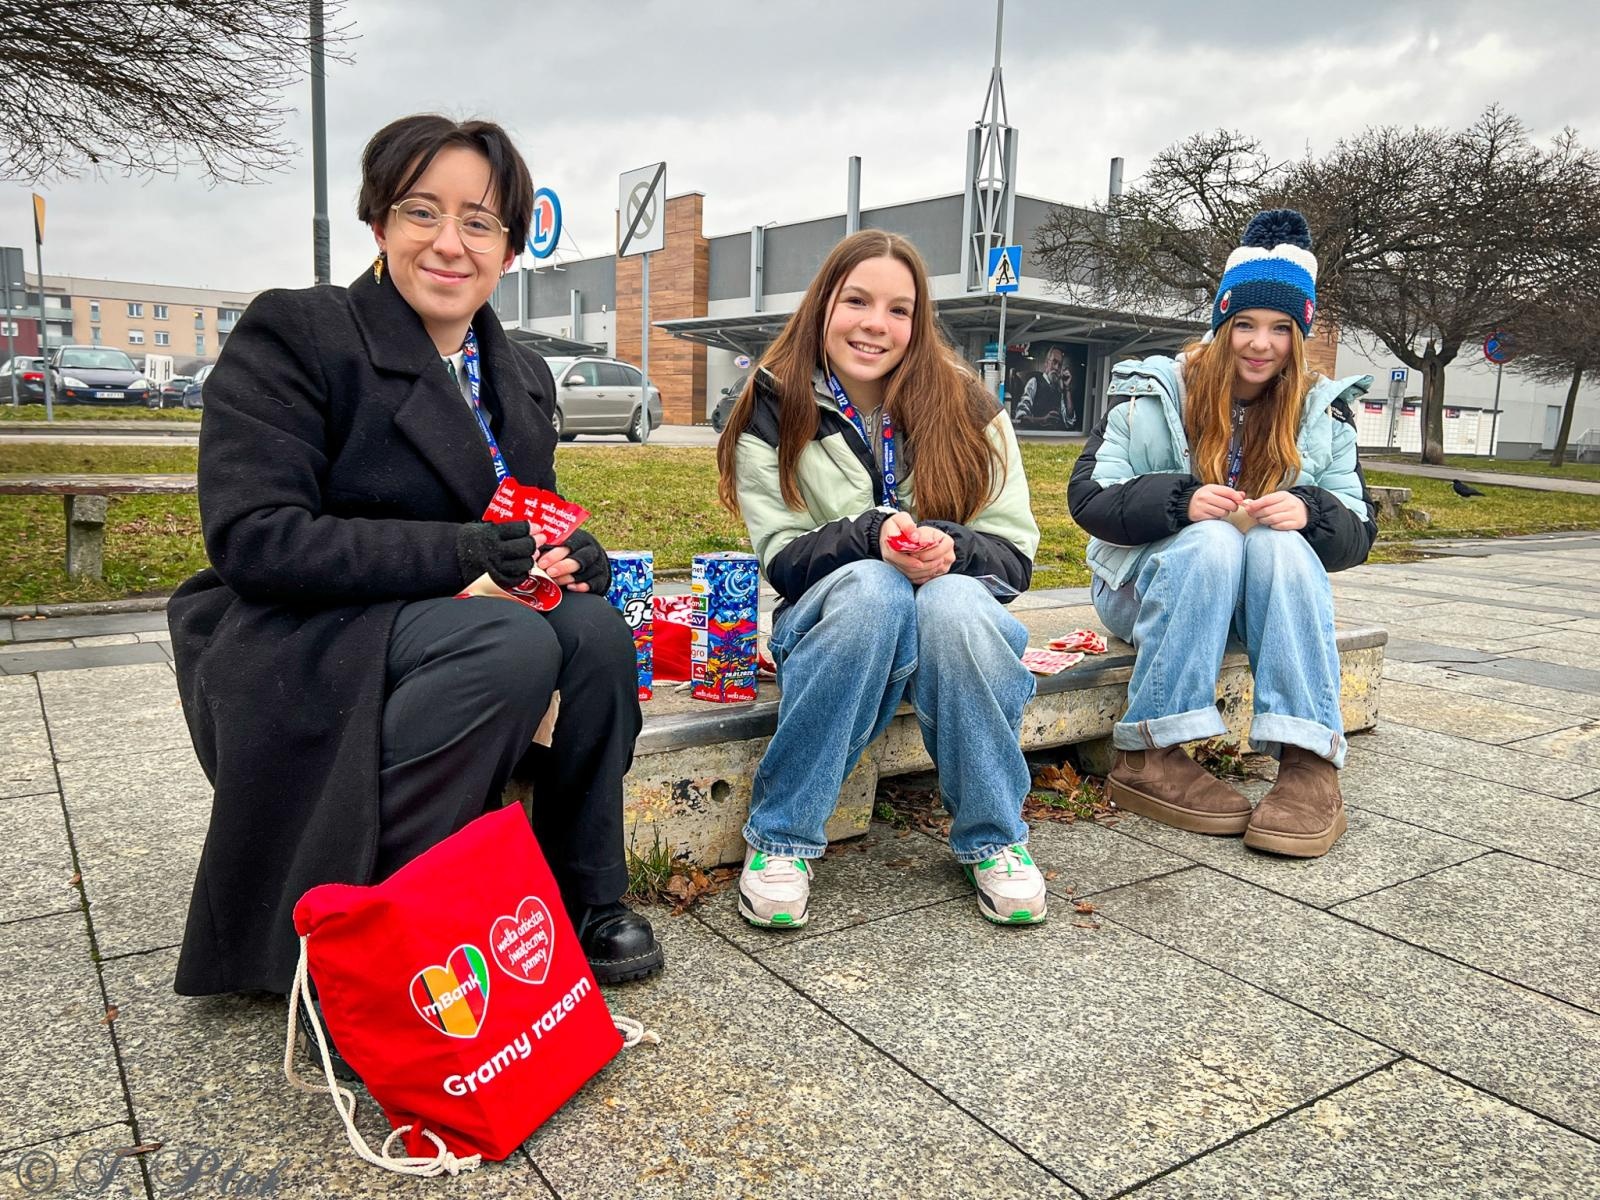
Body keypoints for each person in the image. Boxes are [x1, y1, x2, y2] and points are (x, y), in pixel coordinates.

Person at [167, 114, 663, 1000]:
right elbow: (255, 538)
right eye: (420, 212)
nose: (449, 242)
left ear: (509, 250)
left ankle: (582, 897)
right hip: (306, 625)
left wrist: (564, 552)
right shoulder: (300, 334)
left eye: (479, 221)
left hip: (448, 614)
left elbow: (523, 518)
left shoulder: (516, 374)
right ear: (379, 227)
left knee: (594, 633)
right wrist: (470, 552)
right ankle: (382, 933)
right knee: (507, 648)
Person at [716, 230, 1047, 928]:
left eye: (899, 309)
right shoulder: (772, 405)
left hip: (958, 617)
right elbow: (781, 556)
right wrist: (871, 536)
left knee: (954, 603)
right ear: (822, 306)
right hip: (839, 617)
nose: (876, 323)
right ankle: (781, 839)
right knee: (876, 588)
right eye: (857, 300)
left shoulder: (970, 405)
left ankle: (995, 839)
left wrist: (950, 547)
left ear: (918, 321)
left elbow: (1014, 557)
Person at [1068, 209, 1377, 858]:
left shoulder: (1320, 411)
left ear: (1299, 334)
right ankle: (1152, 752)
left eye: (1280, 328)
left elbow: (1359, 529)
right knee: (1212, 540)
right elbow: (1089, 497)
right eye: (1245, 324)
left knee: (1280, 542)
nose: (1261, 343)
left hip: (1255, 600)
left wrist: (1312, 513)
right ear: (1222, 323)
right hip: (1141, 588)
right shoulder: (1155, 388)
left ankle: (1307, 763)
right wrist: (1181, 501)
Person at [1013, 344, 1075, 430]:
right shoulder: (1034, 382)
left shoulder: (1059, 389)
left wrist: (1067, 389)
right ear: (1046, 363)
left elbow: (1069, 421)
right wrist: (1043, 420)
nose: (1057, 367)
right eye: (1054, 362)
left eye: (1060, 365)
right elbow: (1020, 417)